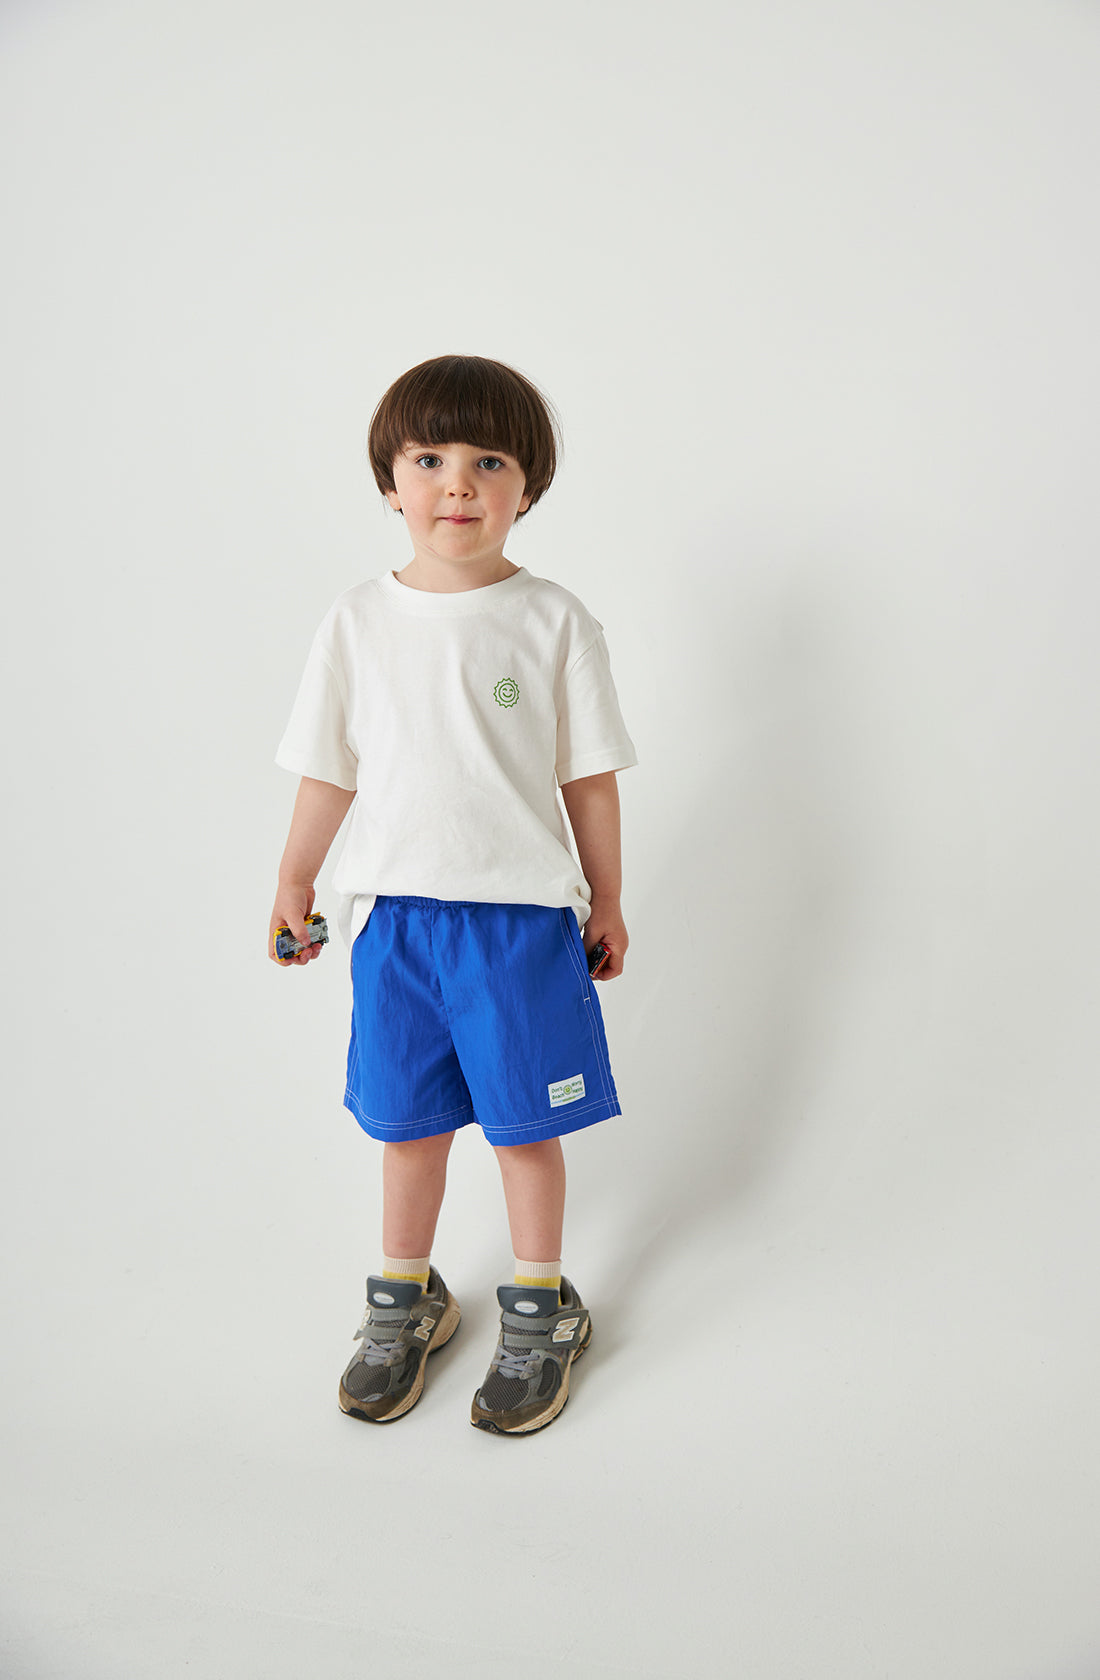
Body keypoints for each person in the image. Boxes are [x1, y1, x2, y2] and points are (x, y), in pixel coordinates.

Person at [269, 354, 636, 1436]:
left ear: (528, 488)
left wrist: (605, 900)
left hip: (520, 924)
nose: (457, 484)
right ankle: (403, 1300)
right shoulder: (355, 622)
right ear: (390, 480)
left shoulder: (553, 621)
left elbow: (588, 779)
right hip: (398, 929)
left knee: (524, 1127)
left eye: (489, 462)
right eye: (428, 459)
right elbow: (327, 769)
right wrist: (294, 878)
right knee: (408, 1124)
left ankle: (537, 1306)